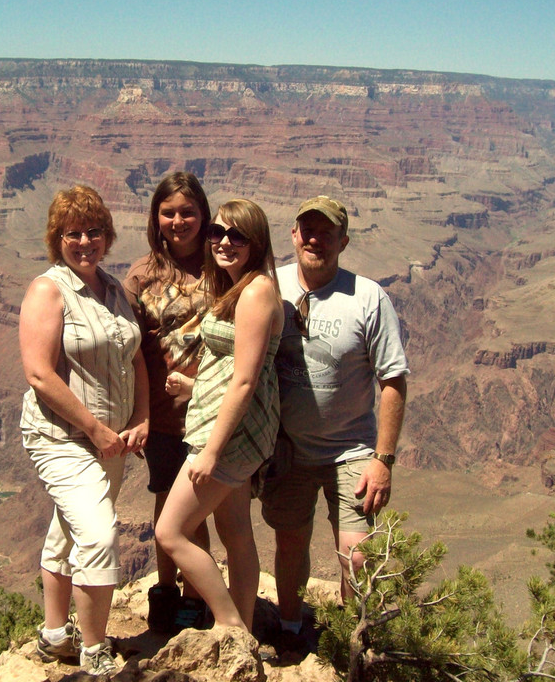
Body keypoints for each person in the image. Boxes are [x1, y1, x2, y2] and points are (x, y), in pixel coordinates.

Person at [260, 195, 409, 645]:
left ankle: (351, 641)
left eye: (326, 233)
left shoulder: (368, 298)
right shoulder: (270, 287)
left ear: (343, 241)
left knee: (356, 555)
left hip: (352, 449)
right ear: (293, 234)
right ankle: (290, 627)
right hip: (287, 448)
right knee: (289, 542)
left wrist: (383, 459)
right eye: (307, 230)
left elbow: (392, 380)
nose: (315, 239)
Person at [19, 185, 150, 676]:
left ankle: (55, 633)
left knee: (69, 529)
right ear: (57, 238)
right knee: (97, 533)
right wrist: (95, 429)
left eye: (94, 231)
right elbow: (38, 373)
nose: (84, 242)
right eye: (72, 233)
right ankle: (94, 650)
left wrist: (142, 417)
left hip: (111, 441)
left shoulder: (113, 289)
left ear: (107, 236)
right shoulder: (48, 290)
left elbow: (136, 357)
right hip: (63, 438)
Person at [155, 198, 283, 632]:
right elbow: (235, 368)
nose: (224, 242)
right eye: (217, 232)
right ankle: (243, 627)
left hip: (228, 435)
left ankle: (229, 626)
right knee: (236, 532)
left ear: (256, 242)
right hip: (233, 425)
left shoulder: (256, 291)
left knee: (170, 532)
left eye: (237, 235)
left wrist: (210, 451)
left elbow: (246, 380)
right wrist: (197, 388)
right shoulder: (237, 286)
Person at [124, 172, 213, 633]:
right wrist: (136, 414)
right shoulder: (141, 275)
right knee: (164, 499)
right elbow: (130, 350)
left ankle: (196, 596)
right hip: (161, 415)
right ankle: (165, 589)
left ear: (203, 214)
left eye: (187, 212)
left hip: (210, 412)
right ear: (155, 218)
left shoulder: (221, 264)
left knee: (194, 510)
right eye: (168, 213)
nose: (178, 221)